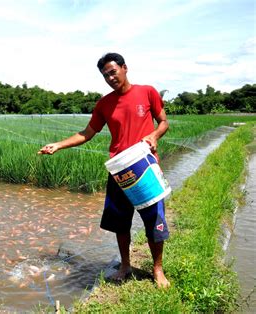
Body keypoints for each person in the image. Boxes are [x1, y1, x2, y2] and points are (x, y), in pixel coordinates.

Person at [38, 52, 170, 288]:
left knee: (154, 221)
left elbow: (163, 122)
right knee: (120, 222)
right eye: (105, 75)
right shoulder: (104, 104)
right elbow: (86, 133)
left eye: (112, 71)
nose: (110, 77)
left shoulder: (147, 92)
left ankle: (157, 269)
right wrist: (58, 145)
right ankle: (125, 265)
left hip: (145, 167)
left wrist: (154, 135)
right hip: (119, 170)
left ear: (124, 68)